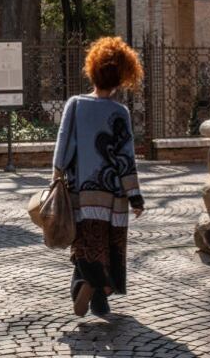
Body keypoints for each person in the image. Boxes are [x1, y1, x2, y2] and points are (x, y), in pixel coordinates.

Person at [52, 36, 145, 317]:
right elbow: (125, 159)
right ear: (121, 78)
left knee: (84, 242)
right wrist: (135, 196)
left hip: (82, 192)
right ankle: (101, 297)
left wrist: (57, 176)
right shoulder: (120, 112)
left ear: (92, 71)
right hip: (112, 195)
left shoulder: (75, 105)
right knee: (110, 246)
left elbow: (63, 146)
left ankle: (83, 281)